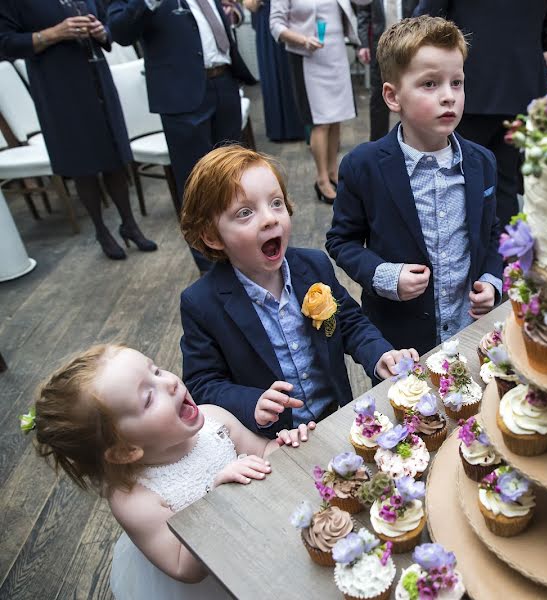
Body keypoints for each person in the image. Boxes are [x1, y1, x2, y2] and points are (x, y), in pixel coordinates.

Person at [21, 344, 314, 600]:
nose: (171, 384)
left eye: (157, 371)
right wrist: (219, 497)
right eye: (148, 397)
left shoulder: (214, 419)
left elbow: (262, 453)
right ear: (125, 450)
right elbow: (183, 567)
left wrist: (286, 444)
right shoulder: (134, 499)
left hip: (260, 535)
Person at [179, 146, 418, 435]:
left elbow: (348, 322)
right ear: (212, 236)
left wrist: (379, 354)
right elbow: (203, 383)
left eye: (276, 203)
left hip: (335, 416)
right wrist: (251, 402)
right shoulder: (202, 303)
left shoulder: (313, 266)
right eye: (245, 212)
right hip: (273, 438)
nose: (270, 218)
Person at [325, 16, 504, 355]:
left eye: (457, 83)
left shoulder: (482, 162)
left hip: (471, 329)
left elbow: (492, 233)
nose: (449, 97)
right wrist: (384, 275)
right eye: (430, 84)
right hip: (401, 343)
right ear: (393, 97)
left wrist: (493, 282)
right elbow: (341, 240)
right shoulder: (363, 166)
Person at [106, 0, 256, 271]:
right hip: (181, 94)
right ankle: (210, 268)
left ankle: (242, 250)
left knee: (234, 174)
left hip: (224, 83)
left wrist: (227, 15)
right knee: (195, 183)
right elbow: (119, 31)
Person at [0, 0, 157, 260]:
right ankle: (101, 230)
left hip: (97, 78)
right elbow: (6, 43)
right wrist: (53, 34)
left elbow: (108, 24)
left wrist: (101, 31)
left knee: (114, 156)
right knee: (82, 163)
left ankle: (130, 224)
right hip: (59, 88)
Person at [413, 0, 547, 228]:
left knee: (458, 179)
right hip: (520, 83)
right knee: (505, 183)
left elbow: (426, 18)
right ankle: (504, 254)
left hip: (468, 83)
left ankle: (466, 253)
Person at [269, 0, 370, 204]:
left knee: (336, 119)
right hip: (307, 55)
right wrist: (303, 39)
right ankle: (322, 179)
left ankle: (334, 173)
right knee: (321, 122)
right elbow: (275, 25)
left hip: (335, 54)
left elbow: (364, 2)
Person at [243, 0, 304, 141]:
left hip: (293, 21)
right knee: (272, 77)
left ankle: (302, 127)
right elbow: (250, 5)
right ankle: (278, 129)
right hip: (267, 24)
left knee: (295, 76)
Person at [355, 0, 416, 141]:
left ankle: (412, 139)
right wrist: (363, 45)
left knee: (412, 93)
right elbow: (364, 17)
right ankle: (377, 142)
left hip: (410, 49)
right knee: (378, 97)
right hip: (380, 50)